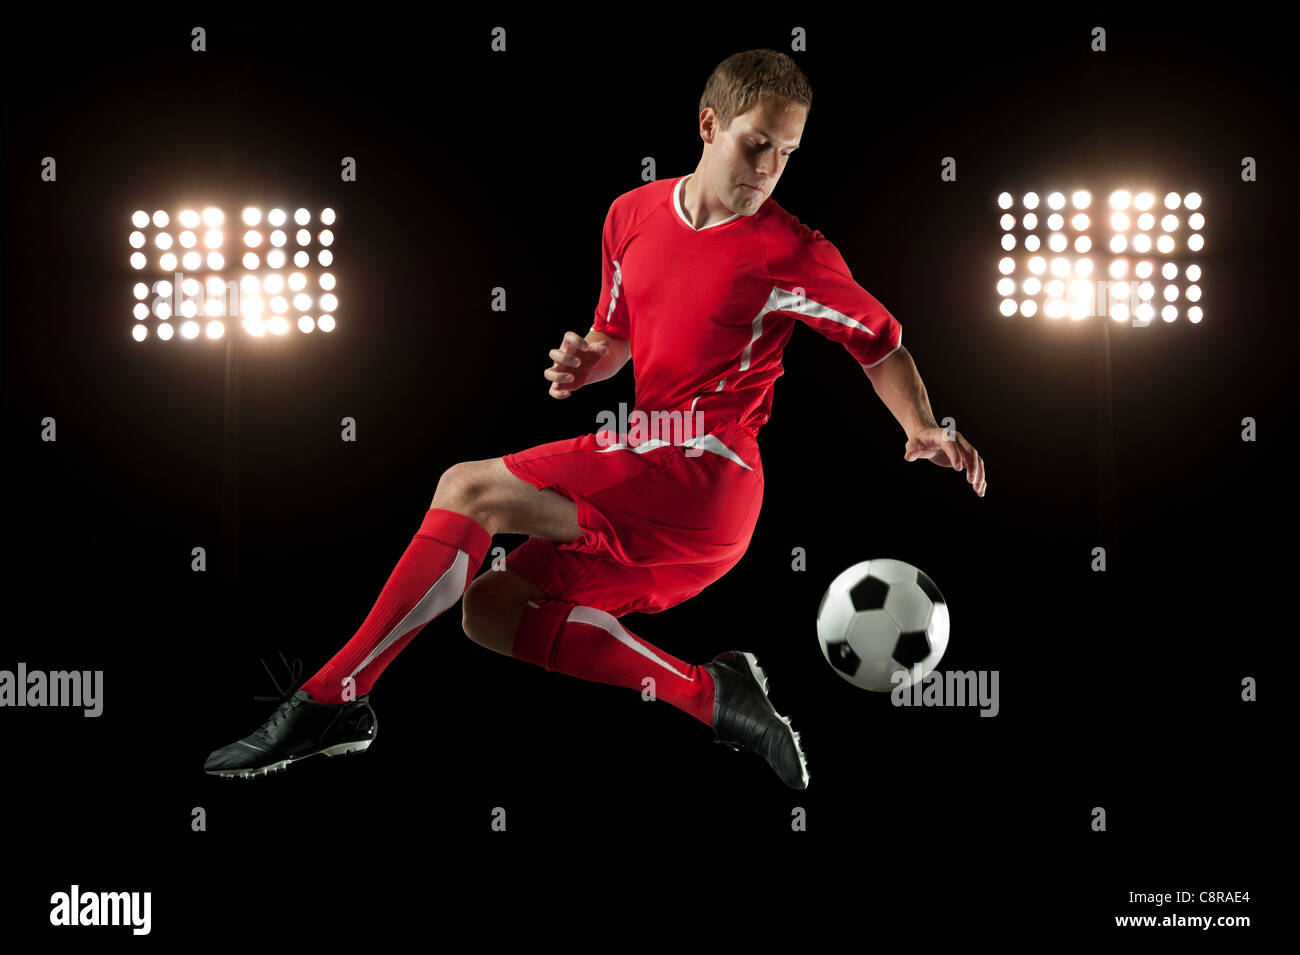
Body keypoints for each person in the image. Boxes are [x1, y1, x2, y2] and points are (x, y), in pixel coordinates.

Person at [204, 49, 987, 790]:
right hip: (648, 464)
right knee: (493, 610)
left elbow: (880, 344)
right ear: (709, 125)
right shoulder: (631, 215)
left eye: (786, 153)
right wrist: (592, 360)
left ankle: (331, 697)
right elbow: (616, 335)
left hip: (708, 468)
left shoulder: (792, 251)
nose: (768, 170)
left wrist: (919, 426)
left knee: (467, 489)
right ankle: (712, 695)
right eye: (757, 145)